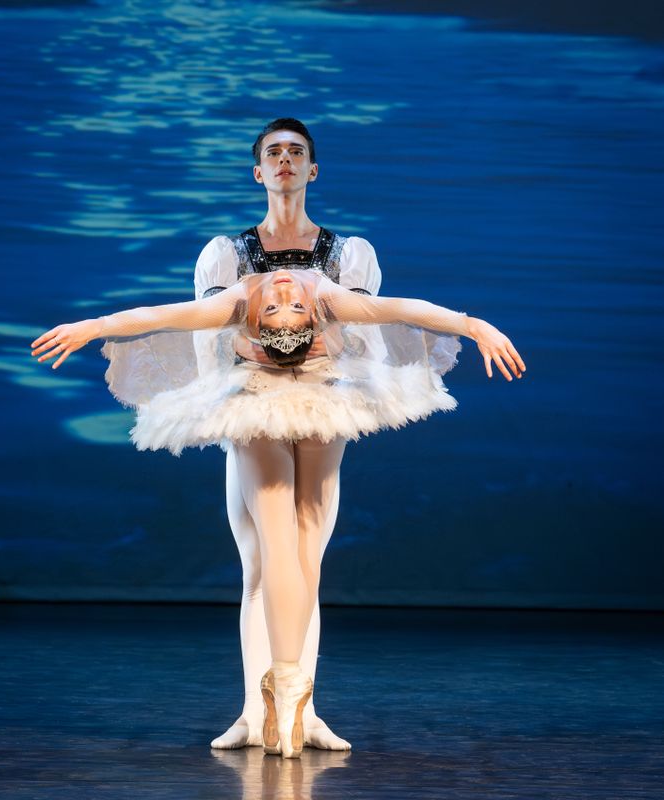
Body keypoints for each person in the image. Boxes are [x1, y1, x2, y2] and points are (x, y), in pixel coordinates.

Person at [30, 267, 526, 759]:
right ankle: (285, 691)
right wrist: (473, 323)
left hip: (321, 400)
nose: (285, 293)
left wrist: (473, 325)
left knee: (306, 545)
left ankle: (289, 695)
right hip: (261, 402)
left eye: (282, 305)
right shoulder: (313, 295)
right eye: (279, 306)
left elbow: (397, 309)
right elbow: (162, 316)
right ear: (310, 314)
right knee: (279, 543)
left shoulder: (271, 295)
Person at [193, 118, 381, 751]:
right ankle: (254, 708)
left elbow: (361, 336)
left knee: (306, 561)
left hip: (322, 408)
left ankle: (302, 709)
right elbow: (208, 335)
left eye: (296, 153)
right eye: (273, 153)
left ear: (312, 170)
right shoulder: (229, 254)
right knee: (257, 563)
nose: (284, 161)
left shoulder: (346, 253)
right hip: (251, 410)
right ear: (257, 171)